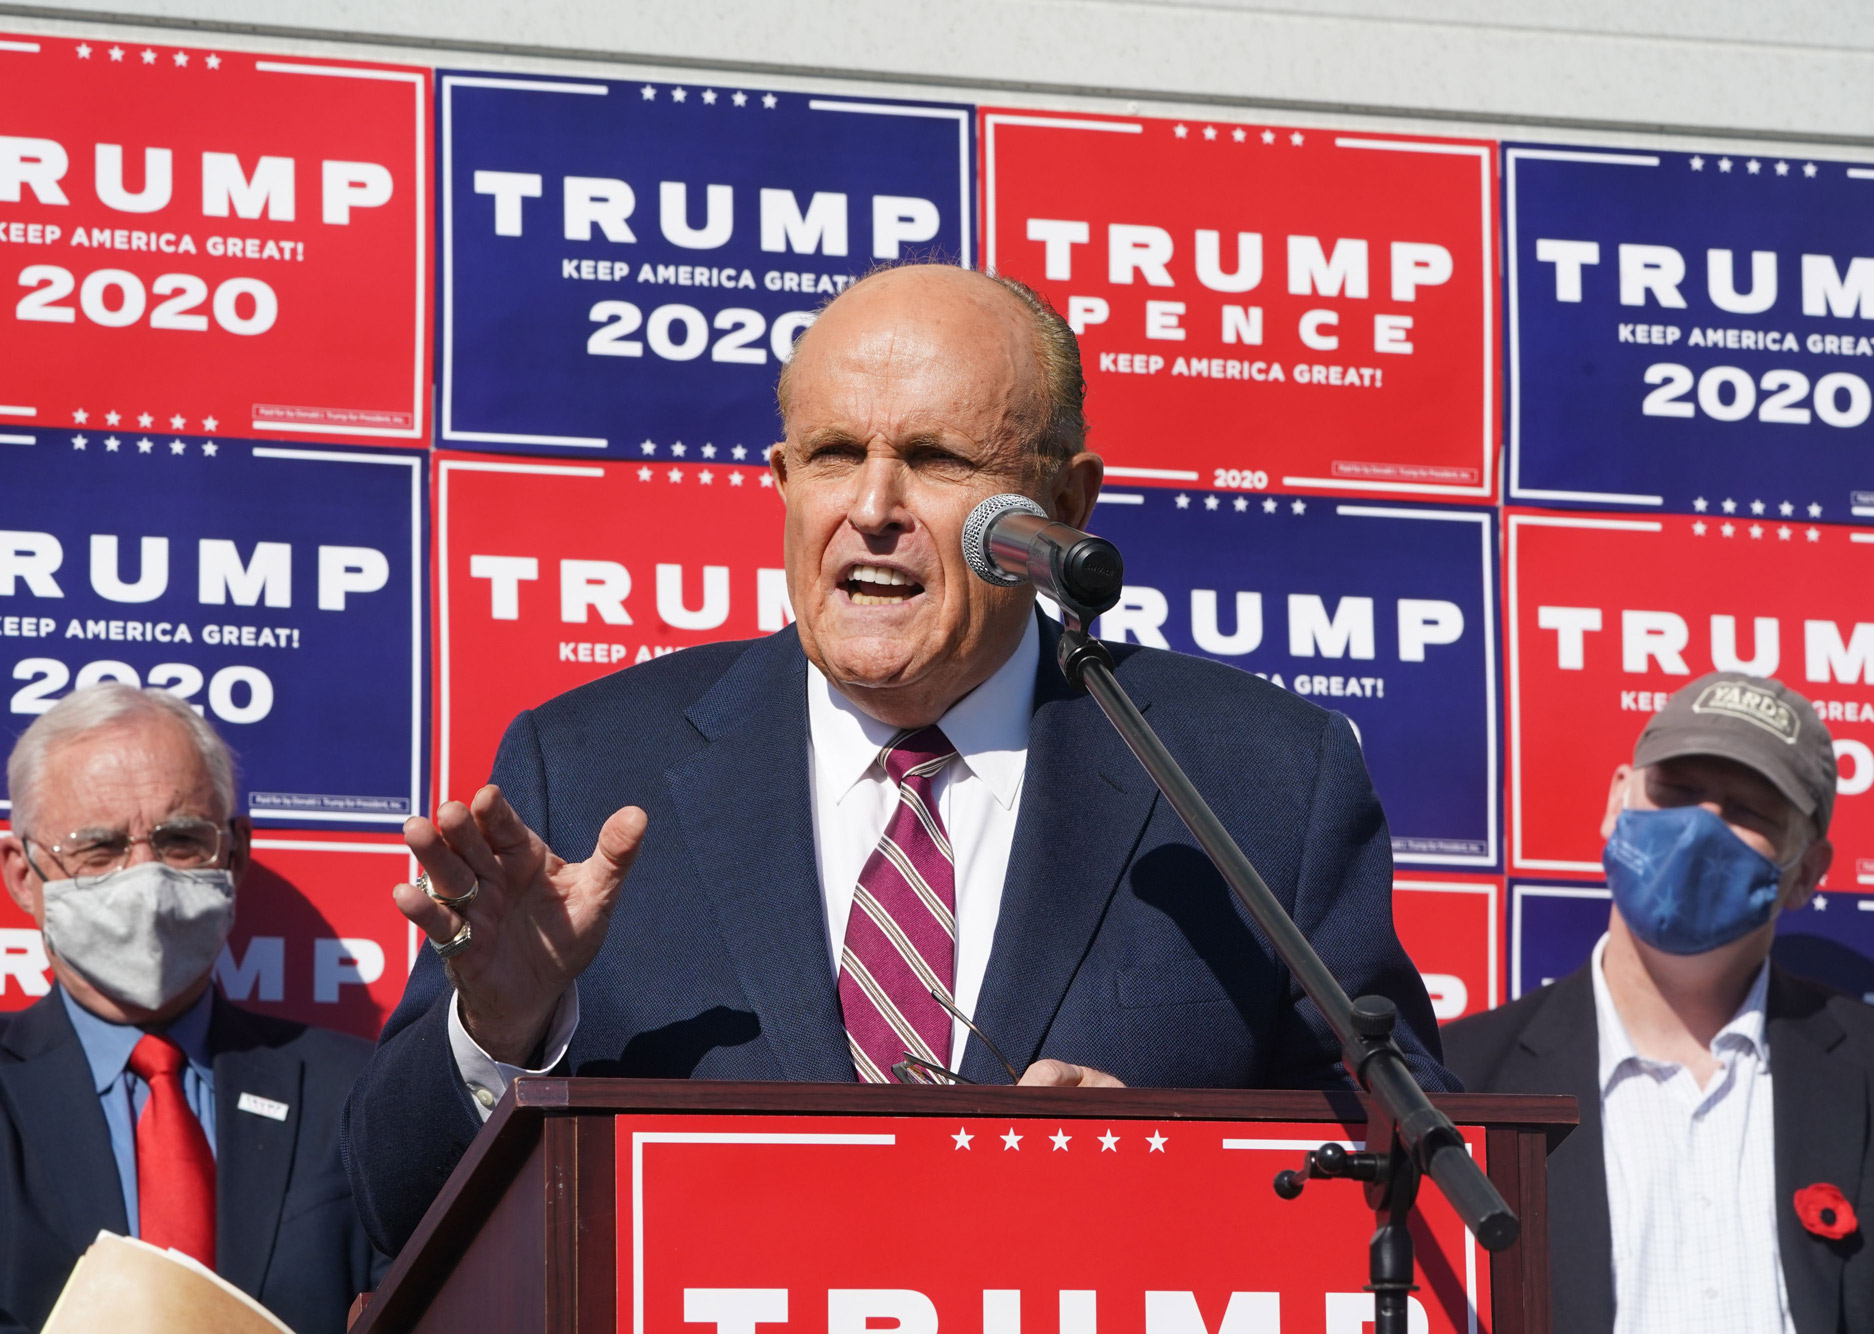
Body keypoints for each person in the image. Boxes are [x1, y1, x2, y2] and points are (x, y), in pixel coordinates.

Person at [344, 262, 1453, 1252]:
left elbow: (1409, 1161)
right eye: (833, 455)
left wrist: (1173, 1168)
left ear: (1064, 503)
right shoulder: (584, 765)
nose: (872, 508)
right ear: (782, 480)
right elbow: (390, 1209)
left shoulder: (1254, 776)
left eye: (934, 458)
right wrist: (498, 1033)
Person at [1445, 671, 1874, 1332]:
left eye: (1749, 811)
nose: (1701, 829)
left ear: (1808, 872)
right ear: (1618, 800)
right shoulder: (1457, 1081)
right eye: (1676, 791)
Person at [0, 684, 385, 1334]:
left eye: (181, 841)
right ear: (22, 873)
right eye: (98, 849)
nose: (144, 878)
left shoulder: (353, 1091)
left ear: (235, 852)